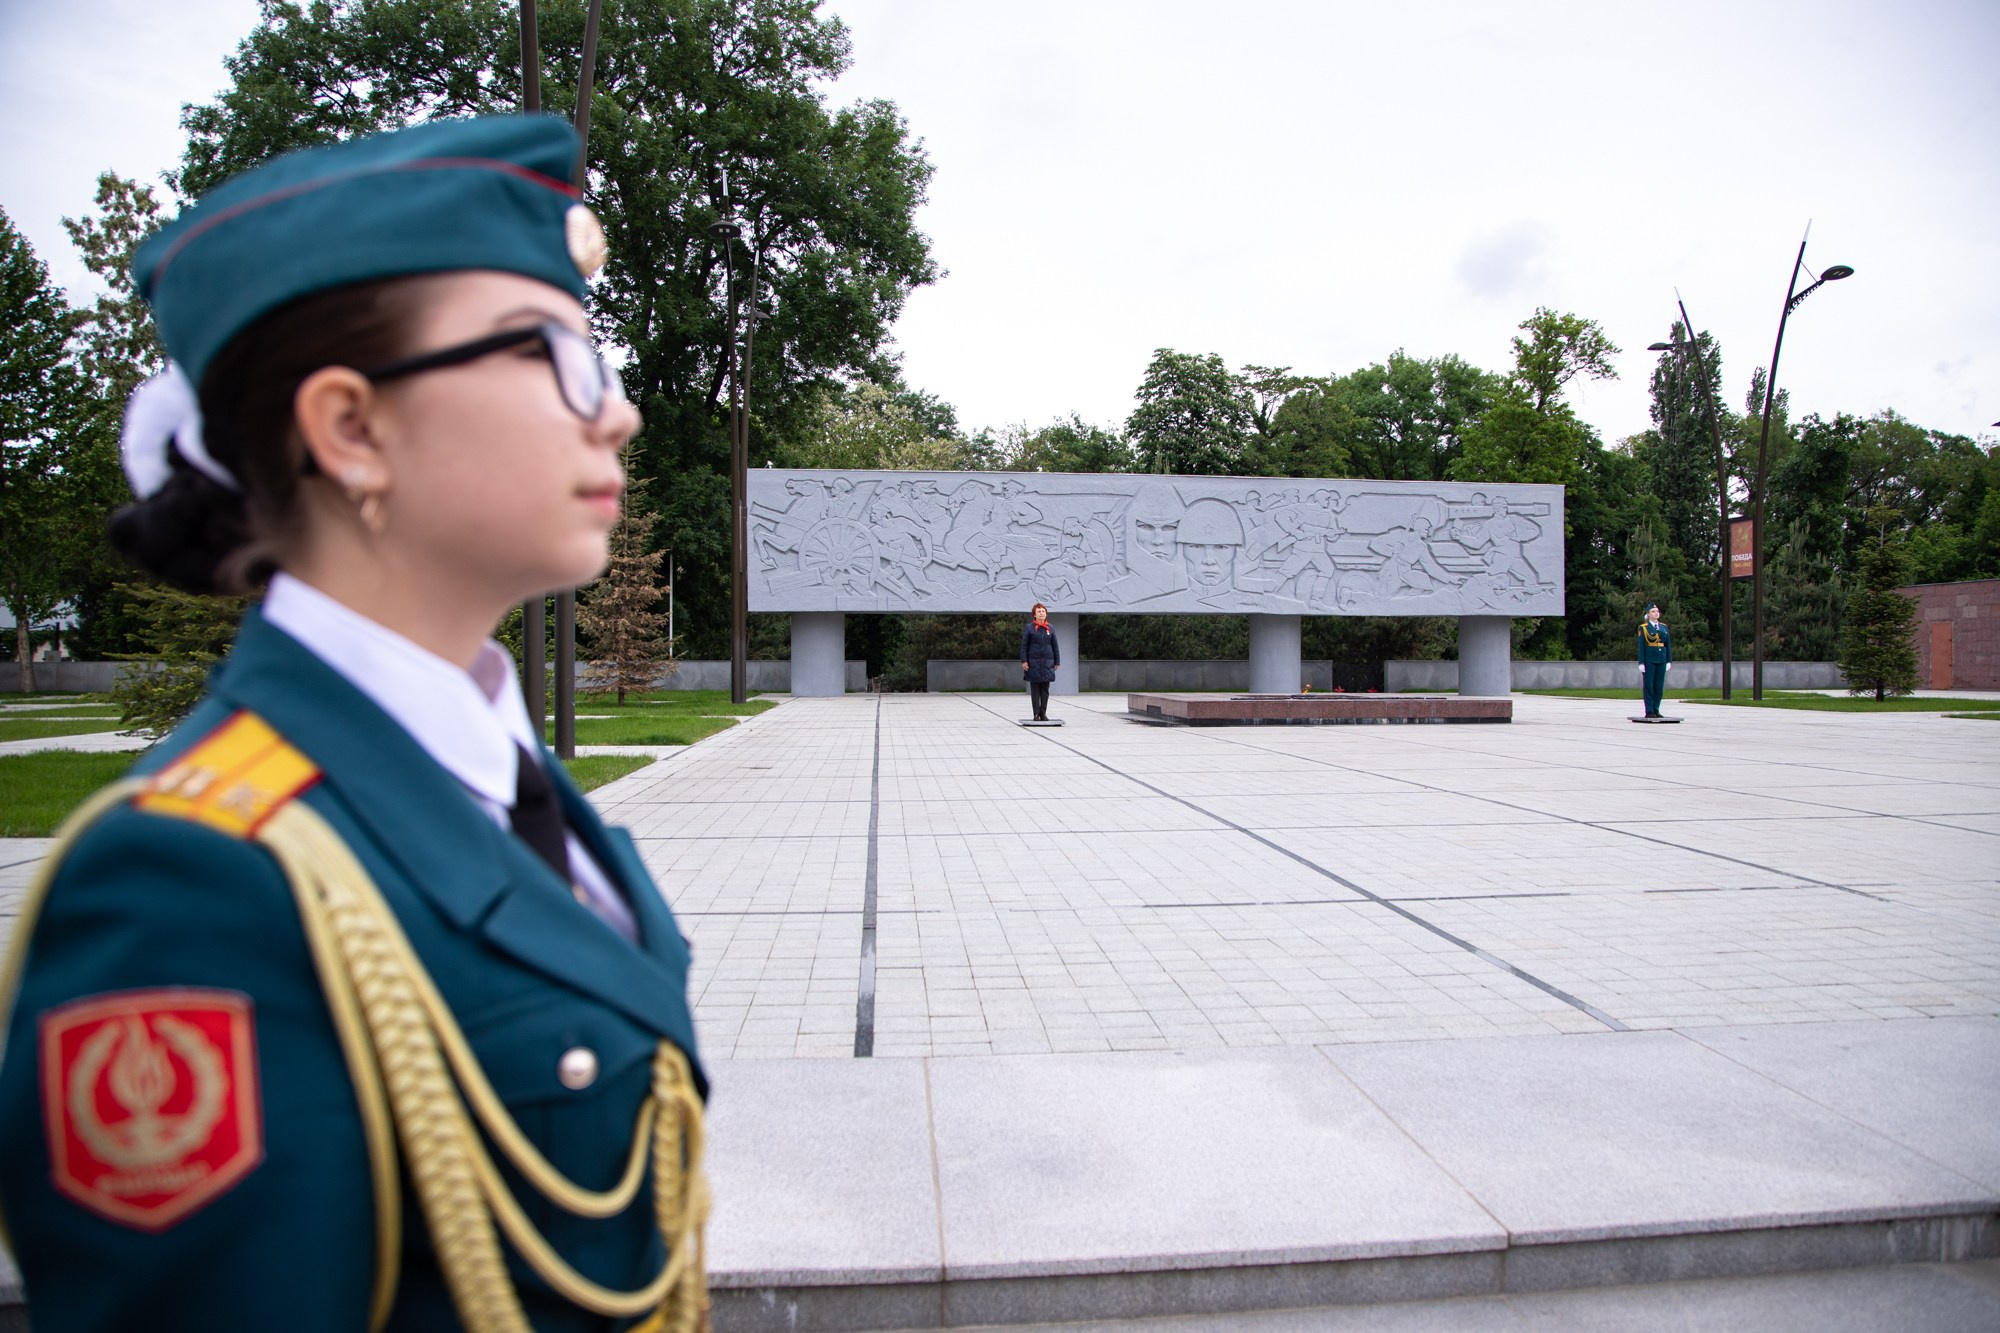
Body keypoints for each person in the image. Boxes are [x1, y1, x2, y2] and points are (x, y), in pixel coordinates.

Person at [0, 117, 709, 1332]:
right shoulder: (192, 882)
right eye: (559, 356)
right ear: (350, 429)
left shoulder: (504, 786)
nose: (619, 415)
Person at [1020, 602, 1060, 720]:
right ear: (1034, 615)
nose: (1041, 613)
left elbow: (1055, 646)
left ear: (1046, 614)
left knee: (1045, 689)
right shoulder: (1029, 628)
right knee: (1035, 689)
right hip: (1034, 663)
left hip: (1047, 663)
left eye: (1043, 611)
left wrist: (1057, 661)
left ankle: (1043, 713)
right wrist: (1024, 661)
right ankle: (1036, 714)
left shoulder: (1051, 628)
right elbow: (1024, 646)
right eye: (1039, 611)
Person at [1637, 601, 1674, 717]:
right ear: (1648, 614)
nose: (1656, 613)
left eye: (1657, 611)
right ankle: (1649, 710)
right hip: (1649, 659)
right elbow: (1641, 646)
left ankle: (1656, 709)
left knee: (1658, 686)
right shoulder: (1643, 628)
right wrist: (1641, 662)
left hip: (1661, 659)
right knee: (1649, 685)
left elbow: (1668, 645)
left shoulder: (1663, 627)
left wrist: (1669, 660)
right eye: (1653, 612)